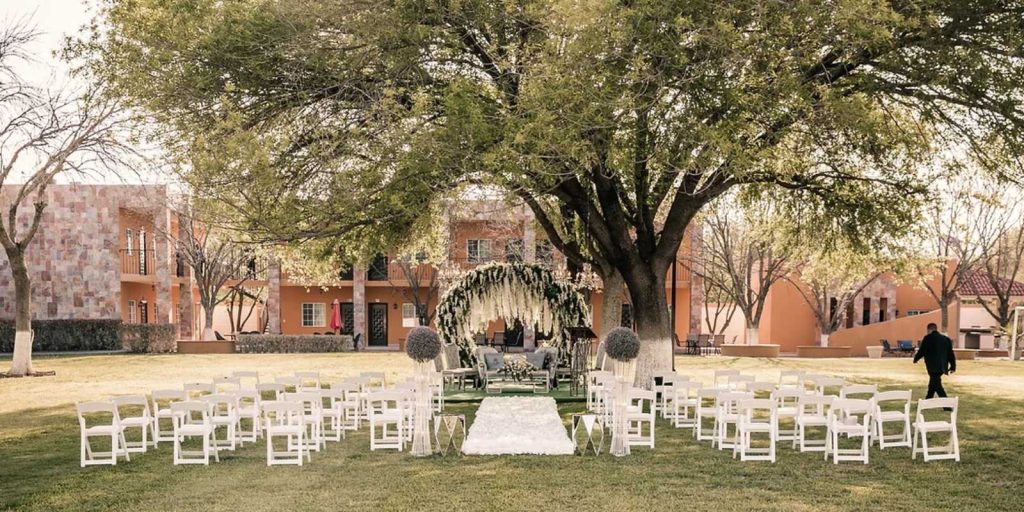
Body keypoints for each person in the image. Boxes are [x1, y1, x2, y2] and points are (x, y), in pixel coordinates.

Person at [914, 323, 956, 401]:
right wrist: (953, 366)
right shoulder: (946, 339)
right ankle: (927, 402)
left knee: (937, 386)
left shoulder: (927, 338)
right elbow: (950, 354)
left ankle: (946, 404)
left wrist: (915, 359)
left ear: (929, 330)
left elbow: (922, 350)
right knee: (933, 385)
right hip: (942, 366)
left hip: (932, 366)